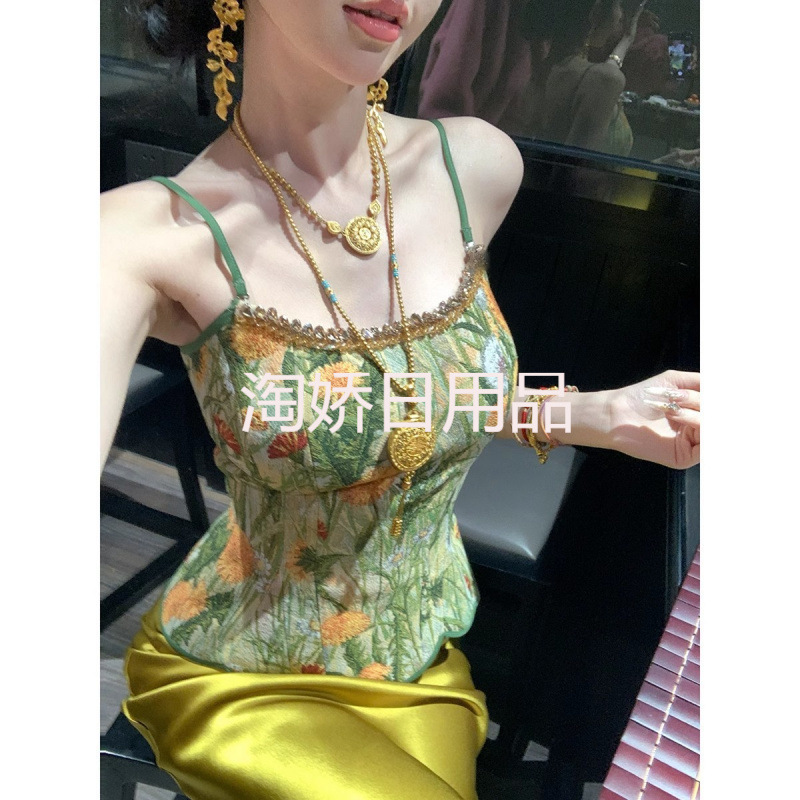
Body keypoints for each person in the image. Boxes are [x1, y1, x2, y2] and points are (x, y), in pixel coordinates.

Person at [100, 1, 700, 798]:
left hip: (428, 655)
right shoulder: (143, 235)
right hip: (247, 679)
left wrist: (594, 414)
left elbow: (424, 396)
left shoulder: (475, 167)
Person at [537, 0, 649, 156]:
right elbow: (574, 166)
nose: (621, 16)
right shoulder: (604, 80)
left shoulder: (540, 67)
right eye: (618, 5)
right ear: (596, 11)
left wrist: (627, 39)